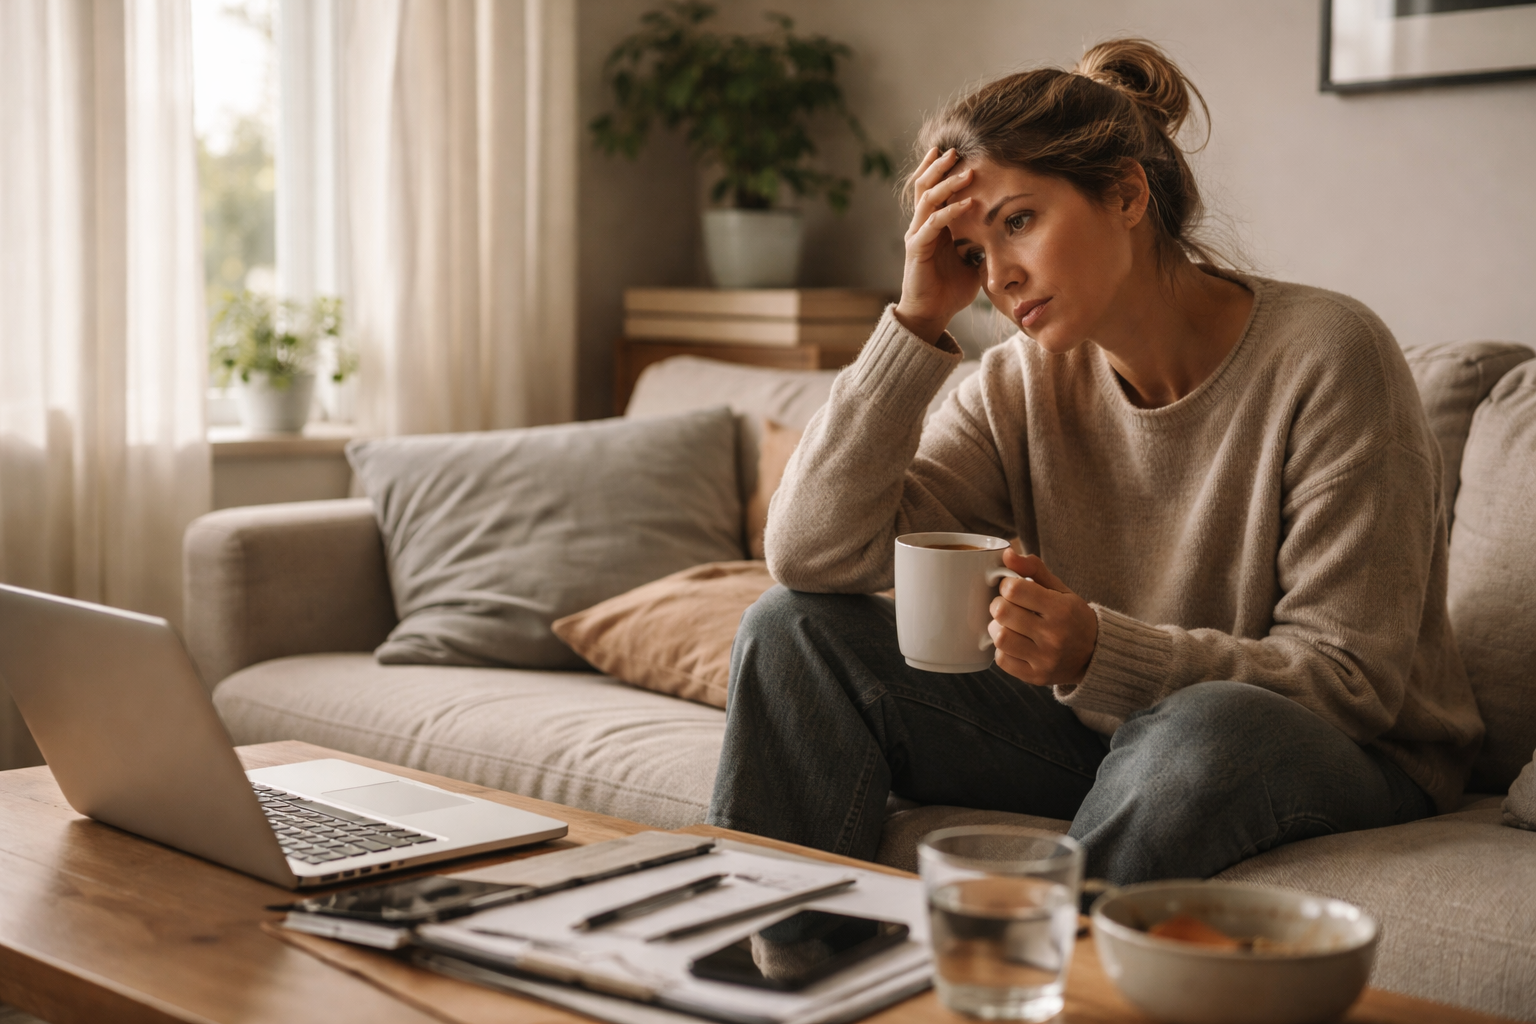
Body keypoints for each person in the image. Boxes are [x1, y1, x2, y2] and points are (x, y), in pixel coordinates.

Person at [704, 38, 1484, 884]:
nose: (999, 276)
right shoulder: (1017, 383)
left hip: (1345, 756)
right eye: (971, 253)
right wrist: (916, 318)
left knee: (1207, 726)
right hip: (1117, 741)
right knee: (791, 629)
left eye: (1018, 222)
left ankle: (1029, 984)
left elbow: (1347, 684)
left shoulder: (1332, 356)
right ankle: (775, 984)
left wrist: (1097, 653)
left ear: (1125, 193)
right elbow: (813, 556)